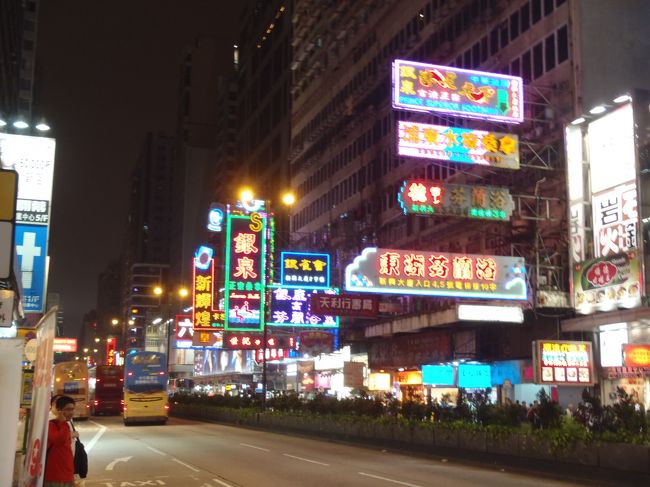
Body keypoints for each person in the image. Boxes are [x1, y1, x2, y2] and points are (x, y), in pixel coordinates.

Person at [45, 395, 77, 487]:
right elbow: (59, 440)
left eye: (72, 409)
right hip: (55, 475)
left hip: (67, 472)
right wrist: (62, 422)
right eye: (68, 409)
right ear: (59, 410)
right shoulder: (51, 425)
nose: (71, 412)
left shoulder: (66, 424)